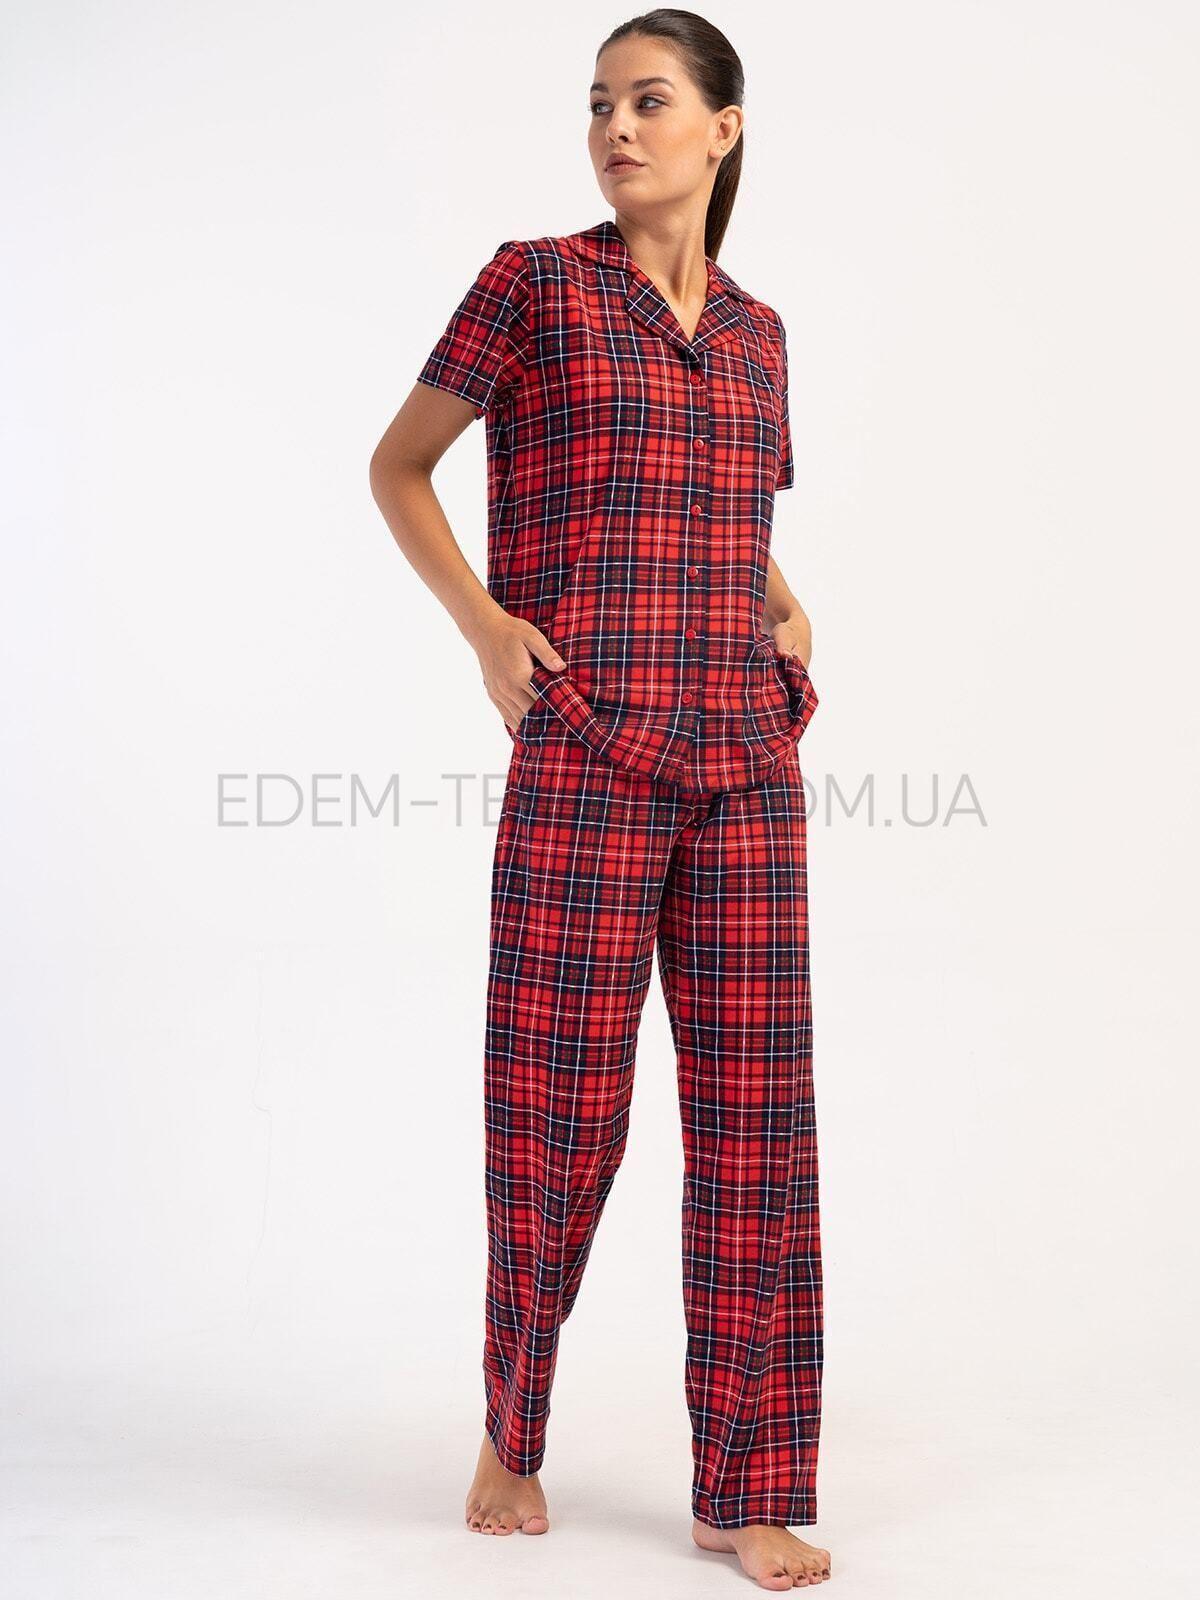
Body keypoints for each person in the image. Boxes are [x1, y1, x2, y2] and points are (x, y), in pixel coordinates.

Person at [369, 11, 830, 1590]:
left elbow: (726, 509)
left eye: (649, 101)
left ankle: (749, 1486)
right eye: (599, 104)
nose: (617, 128)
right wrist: (487, 630)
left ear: (724, 129)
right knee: (558, 1115)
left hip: (746, 759)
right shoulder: (535, 286)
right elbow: (400, 466)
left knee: (759, 1126)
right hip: (589, 750)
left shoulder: (760, 334)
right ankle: (512, 1429)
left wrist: (784, 612)